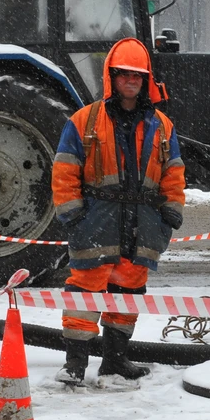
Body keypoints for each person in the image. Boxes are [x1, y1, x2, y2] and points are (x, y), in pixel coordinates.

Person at [51, 38, 186, 386]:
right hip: (97, 219)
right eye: (124, 74)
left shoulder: (163, 126)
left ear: (146, 80)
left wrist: (171, 211)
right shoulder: (84, 121)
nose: (131, 81)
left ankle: (114, 361)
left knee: (128, 292)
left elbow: (173, 171)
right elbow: (65, 169)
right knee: (85, 290)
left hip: (141, 223)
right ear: (112, 76)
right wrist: (73, 215)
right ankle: (75, 365)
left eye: (137, 76)